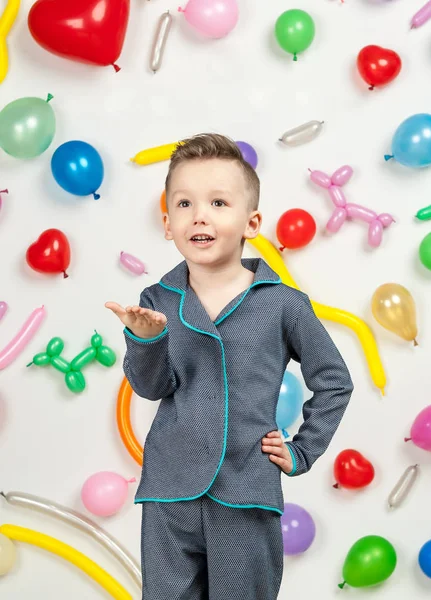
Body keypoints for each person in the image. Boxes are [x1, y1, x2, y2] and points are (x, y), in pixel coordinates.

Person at [105, 133, 354, 600]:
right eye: (184, 204)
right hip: (168, 491)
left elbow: (335, 382)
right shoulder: (157, 300)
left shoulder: (283, 304)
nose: (199, 215)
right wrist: (145, 340)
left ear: (251, 222)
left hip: (246, 488)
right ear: (166, 222)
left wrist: (301, 451)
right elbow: (152, 386)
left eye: (219, 202)